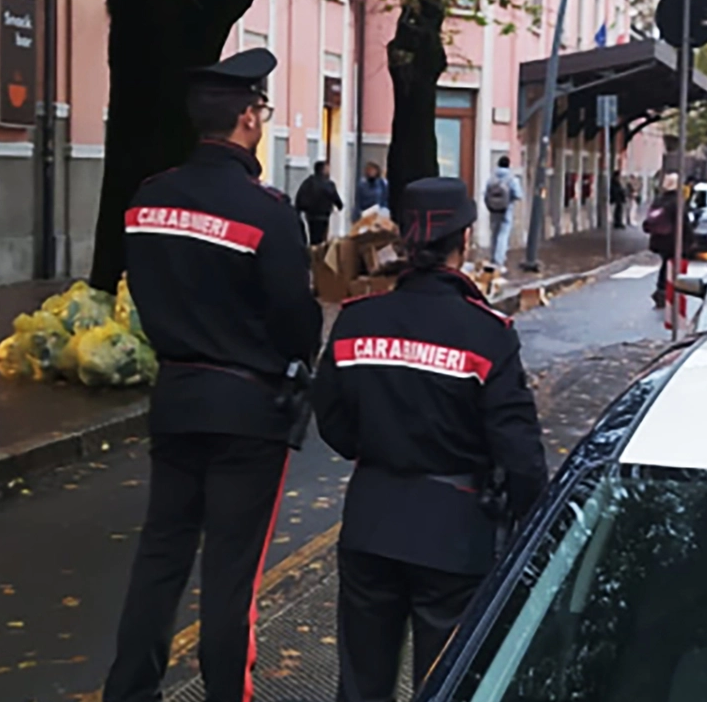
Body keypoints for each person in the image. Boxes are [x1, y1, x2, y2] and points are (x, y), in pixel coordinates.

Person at [105, 48, 324, 702]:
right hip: (250, 413)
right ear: (250, 118)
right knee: (231, 572)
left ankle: (129, 690)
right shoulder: (267, 212)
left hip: (175, 399)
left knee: (160, 559)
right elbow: (296, 320)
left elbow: (144, 290)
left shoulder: (148, 199)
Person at [311, 176, 547, 702]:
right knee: (446, 684)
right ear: (463, 242)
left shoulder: (355, 323)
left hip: (371, 522)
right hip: (455, 534)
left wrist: (372, 450)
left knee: (361, 683)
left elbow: (329, 417)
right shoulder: (487, 334)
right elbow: (521, 453)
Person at [643, 173, 693, 309]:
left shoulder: (659, 200)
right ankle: (666, 293)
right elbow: (683, 223)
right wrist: (690, 241)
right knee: (672, 266)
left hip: (659, 240)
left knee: (666, 264)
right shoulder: (677, 202)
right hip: (674, 240)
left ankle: (662, 291)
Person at [483, 155, 523, 268]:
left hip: (493, 210)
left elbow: (485, 194)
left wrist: (489, 205)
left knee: (494, 234)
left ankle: (492, 257)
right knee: (503, 234)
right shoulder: (511, 179)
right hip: (506, 210)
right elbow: (518, 195)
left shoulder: (491, 178)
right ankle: (499, 260)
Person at [295, 160, 344, 244]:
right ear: (323, 170)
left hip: (311, 216)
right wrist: (340, 206)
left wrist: (298, 211)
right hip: (323, 216)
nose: (329, 171)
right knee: (322, 239)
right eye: (327, 169)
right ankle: (319, 254)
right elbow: (335, 198)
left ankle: (313, 253)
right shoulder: (328, 184)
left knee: (313, 237)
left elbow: (299, 198)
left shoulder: (308, 182)